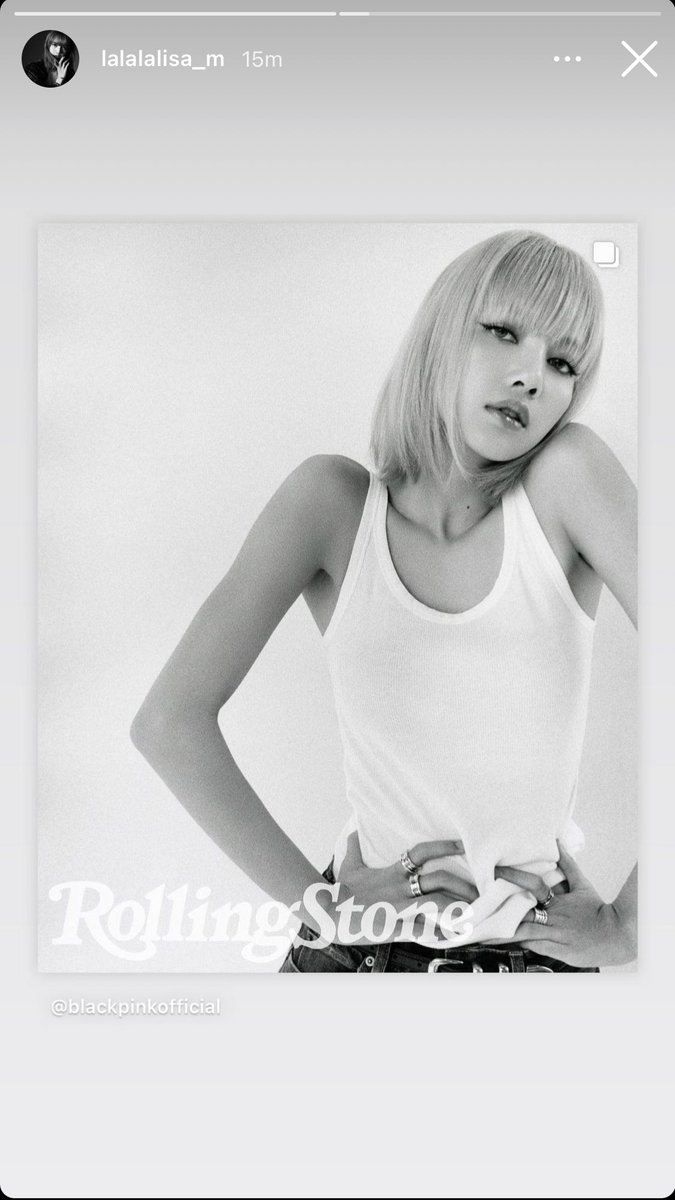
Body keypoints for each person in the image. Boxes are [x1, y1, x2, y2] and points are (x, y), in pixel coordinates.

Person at [130, 229, 637, 974]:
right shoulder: (330, 505)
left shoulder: (568, 480)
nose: (532, 376)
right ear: (440, 331)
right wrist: (320, 906)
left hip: (528, 957)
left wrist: (631, 924)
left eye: (562, 363)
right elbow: (168, 723)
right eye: (503, 332)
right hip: (352, 958)